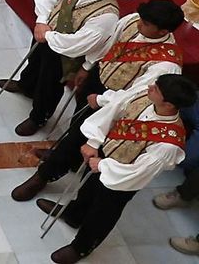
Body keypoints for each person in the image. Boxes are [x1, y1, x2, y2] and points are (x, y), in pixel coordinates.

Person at [11, 73, 194, 264]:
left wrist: (103, 165)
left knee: (103, 211)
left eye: (155, 89)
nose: (149, 88)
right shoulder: (146, 98)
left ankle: (82, 246)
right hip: (108, 155)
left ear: (169, 105)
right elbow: (115, 111)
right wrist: (94, 141)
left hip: (124, 178)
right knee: (88, 189)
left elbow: (139, 172)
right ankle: (74, 214)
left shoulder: (167, 144)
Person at [0, 0, 129, 136]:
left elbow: (82, 43)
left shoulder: (107, 15)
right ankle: (26, 86)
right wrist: (42, 21)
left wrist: (49, 36)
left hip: (66, 52)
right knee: (34, 61)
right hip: (46, 31)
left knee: (49, 84)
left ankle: (39, 117)